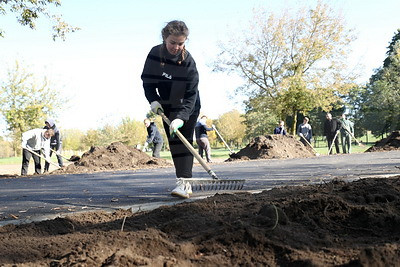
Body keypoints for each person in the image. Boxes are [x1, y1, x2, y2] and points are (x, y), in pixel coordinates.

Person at [141, 20, 201, 199]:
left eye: (181, 43)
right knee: (175, 144)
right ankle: (181, 180)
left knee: (185, 141)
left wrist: (181, 117)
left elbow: (192, 95)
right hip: (167, 106)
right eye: (173, 42)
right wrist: (154, 101)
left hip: (188, 105)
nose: (176, 47)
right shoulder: (154, 54)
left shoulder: (188, 62)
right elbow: (147, 82)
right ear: (165, 39)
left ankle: (185, 184)